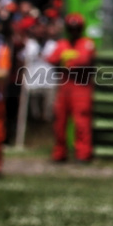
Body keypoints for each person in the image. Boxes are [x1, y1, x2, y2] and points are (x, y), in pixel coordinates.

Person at [46, 12, 96, 162]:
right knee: (59, 121)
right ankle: (59, 153)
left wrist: (66, 58)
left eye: (77, 28)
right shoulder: (62, 43)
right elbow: (51, 58)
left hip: (81, 87)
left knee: (81, 121)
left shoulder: (87, 43)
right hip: (64, 87)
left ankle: (83, 153)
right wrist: (68, 58)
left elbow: (84, 60)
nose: (74, 31)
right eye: (71, 28)